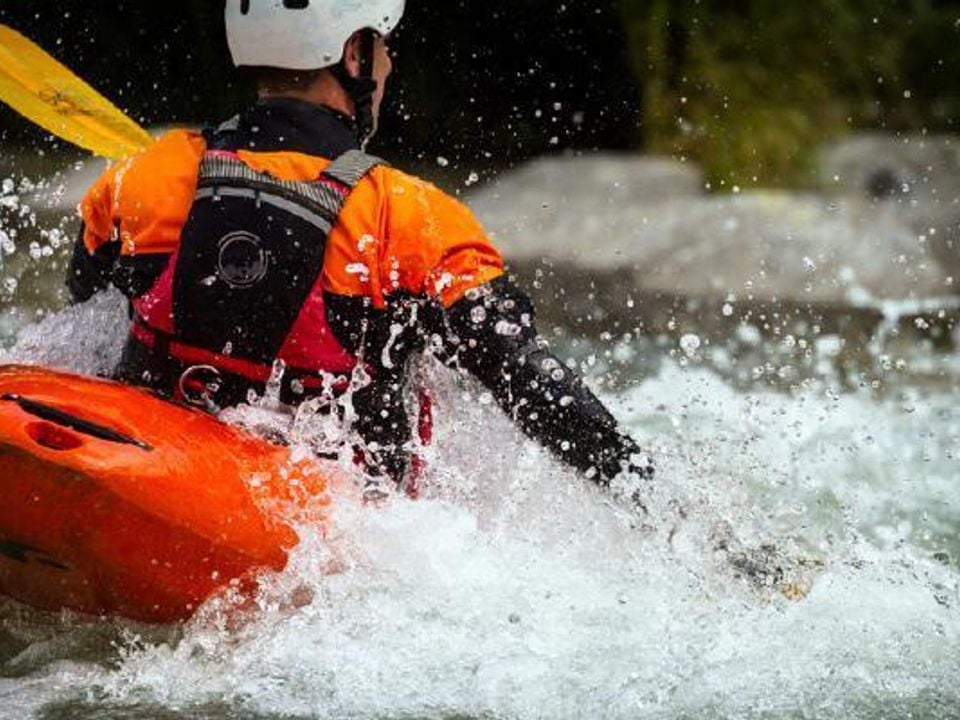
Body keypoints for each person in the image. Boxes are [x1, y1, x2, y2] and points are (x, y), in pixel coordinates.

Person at [66, 0, 653, 496]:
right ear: (353, 55)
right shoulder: (409, 215)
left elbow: (79, 319)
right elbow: (528, 379)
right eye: (383, 44)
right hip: (328, 531)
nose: (390, 61)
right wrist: (646, 492)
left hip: (146, 465)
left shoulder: (142, 178)